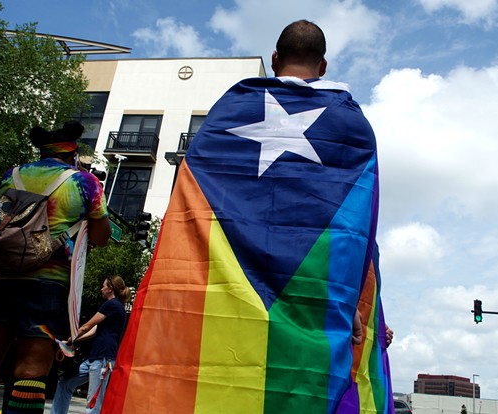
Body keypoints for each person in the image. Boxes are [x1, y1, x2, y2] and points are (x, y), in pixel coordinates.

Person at [103, 19, 392, 414]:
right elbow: (357, 228)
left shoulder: (230, 111)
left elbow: (190, 203)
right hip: (311, 296)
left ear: (275, 59)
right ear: (323, 67)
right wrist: (353, 302)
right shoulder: (353, 126)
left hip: (223, 291)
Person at [0, 121, 111, 414]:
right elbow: (102, 238)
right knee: (30, 375)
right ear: (73, 154)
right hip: (45, 286)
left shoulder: (12, 175)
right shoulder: (84, 182)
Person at [51, 275, 130, 414]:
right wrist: (71, 341)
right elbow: (94, 331)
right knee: (65, 383)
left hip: (104, 359)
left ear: (110, 289)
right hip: (95, 358)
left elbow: (87, 327)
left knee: (93, 401)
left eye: (104, 286)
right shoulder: (116, 307)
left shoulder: (112, 305)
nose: (101, 289)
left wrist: (72, 337)